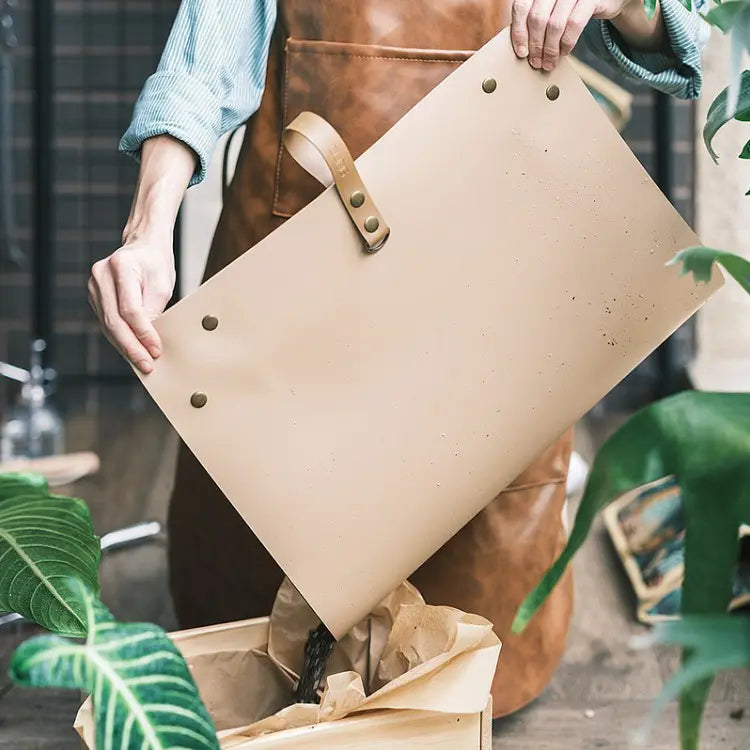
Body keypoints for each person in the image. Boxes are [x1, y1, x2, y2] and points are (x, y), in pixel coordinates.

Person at [89, 0, 706, 717]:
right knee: (254, 660)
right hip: (295, 304)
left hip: (485, 316)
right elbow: (206, 53)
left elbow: (675, 44)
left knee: (470, 662)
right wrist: (147, 226)